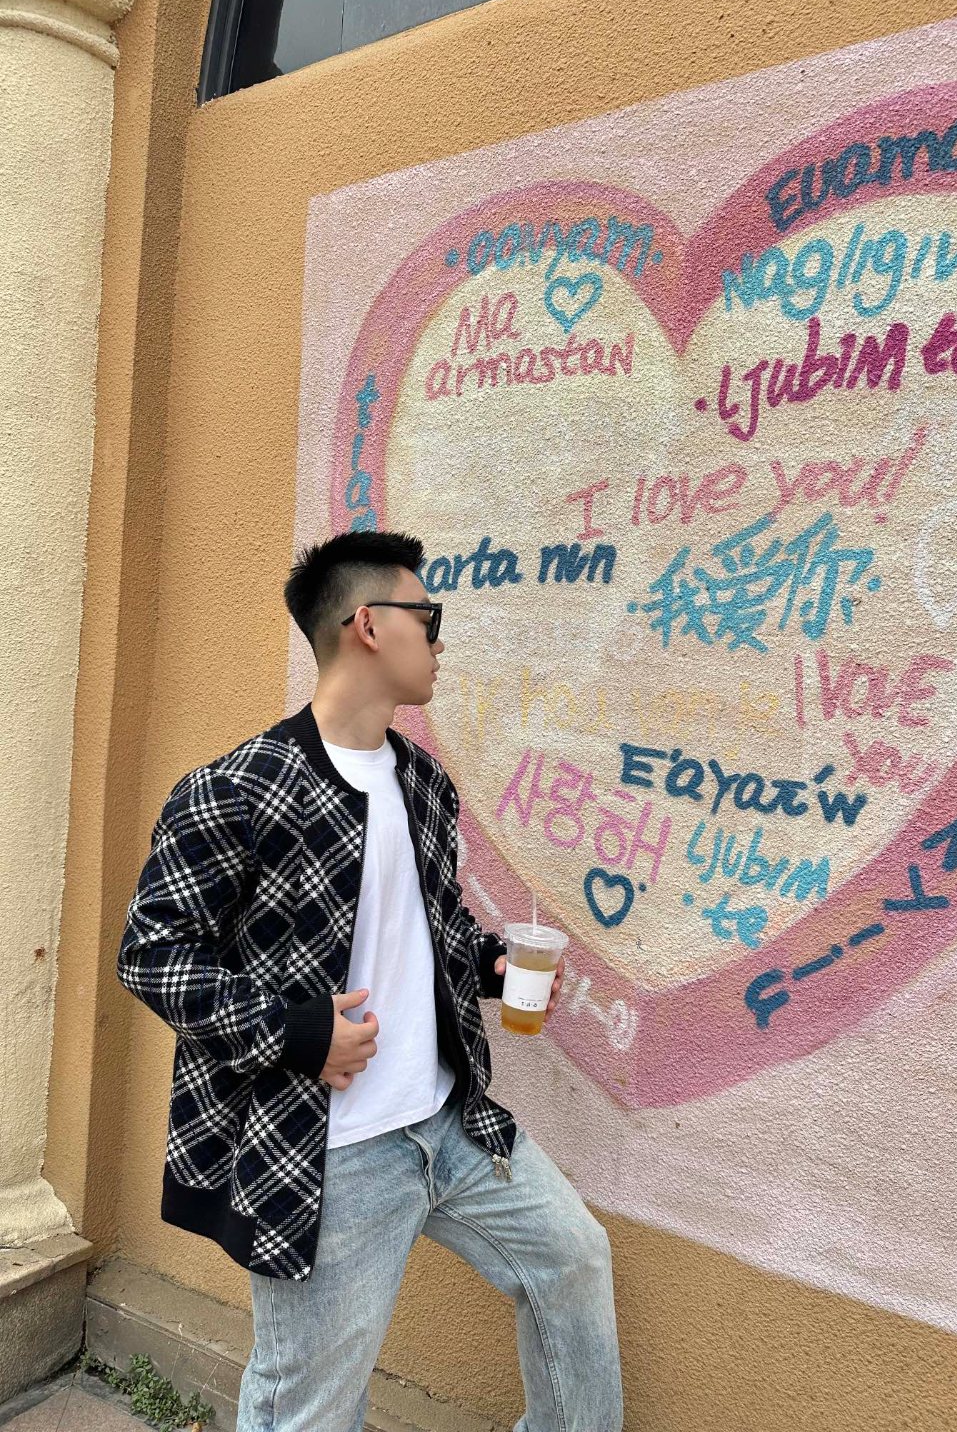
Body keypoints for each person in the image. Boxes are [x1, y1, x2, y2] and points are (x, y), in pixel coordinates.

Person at [117, 530, 623, 1432]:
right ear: (367, 625)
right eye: (428, 616)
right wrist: (294, 1032)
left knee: (573, 1260)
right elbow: (151, 953)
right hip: (329, 1151)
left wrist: (489, 964)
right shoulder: (239, 789)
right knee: (310, 1406)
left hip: (449, 1122)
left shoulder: (423, 784)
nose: (440, 638)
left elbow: (427, 927)